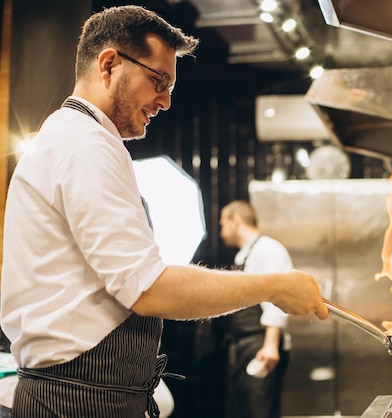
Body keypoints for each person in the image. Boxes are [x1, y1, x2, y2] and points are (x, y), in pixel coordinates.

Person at [0, 6, 328, 418]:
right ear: (109, 64)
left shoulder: (79, 139)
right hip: (77, 401)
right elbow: (149, 289)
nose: (167, 101)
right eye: (159, 81)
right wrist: (274, 286)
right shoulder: (85, 146)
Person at [212, 200, 293, 418]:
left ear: (236, 221)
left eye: (222, 225)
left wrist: (270, 346)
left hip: (261, 345)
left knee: (260, 412)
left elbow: (278, 300)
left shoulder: (267, 249)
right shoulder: (245, 254)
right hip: (244, 344)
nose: (221, 232)